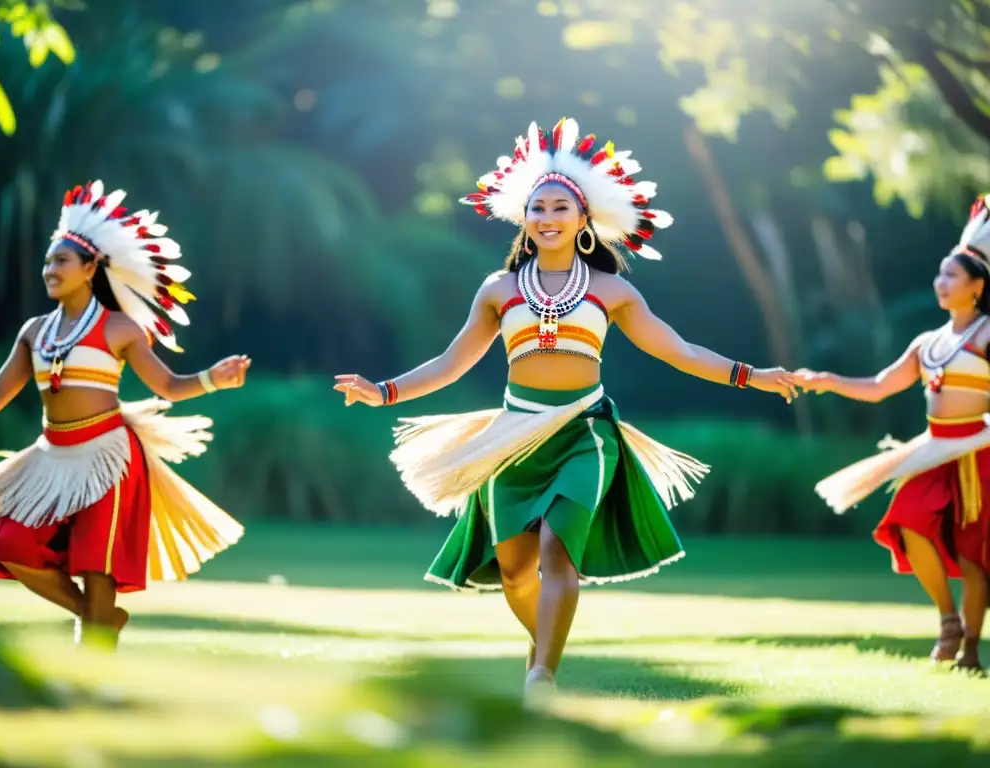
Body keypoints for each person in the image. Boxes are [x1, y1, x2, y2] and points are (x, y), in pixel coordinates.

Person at [333, 118, 799, 702]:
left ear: (583, 221)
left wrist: (752, 376)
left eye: (559, 208)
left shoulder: (613, 291)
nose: (547, 218)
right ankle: (546, 646)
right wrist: (383, 391)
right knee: (512, 570)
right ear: (523, 220)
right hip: (512, 436)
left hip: (585, 433)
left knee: (558, 549)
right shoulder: (499, 289)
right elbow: (452, 362)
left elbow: (678, 351)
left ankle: (541, 677)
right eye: (537, 209)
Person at [0, 180, 249, 647]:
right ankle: (96, 617)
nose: (49, 270)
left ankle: (93, 657)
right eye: (47, 261)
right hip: (49, 458)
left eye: (60, 261)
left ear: (90, 267)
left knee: (99, 568)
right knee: (10, 546)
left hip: (109, 458)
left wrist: (212, 378)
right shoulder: (35, 331)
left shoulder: (120, 328)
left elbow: (167, 386)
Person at [796, 194, 990, 674]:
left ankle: (969, 646)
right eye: (940, 274)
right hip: (933, 449)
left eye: (952, 276)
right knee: (906, 520)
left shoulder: (986, 334)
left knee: (974, 556)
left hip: (979, 451)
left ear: (977, 287)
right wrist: (828, 381)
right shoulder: (928, 343)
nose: (941, 283)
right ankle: (947, 619)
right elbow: (882, 387)